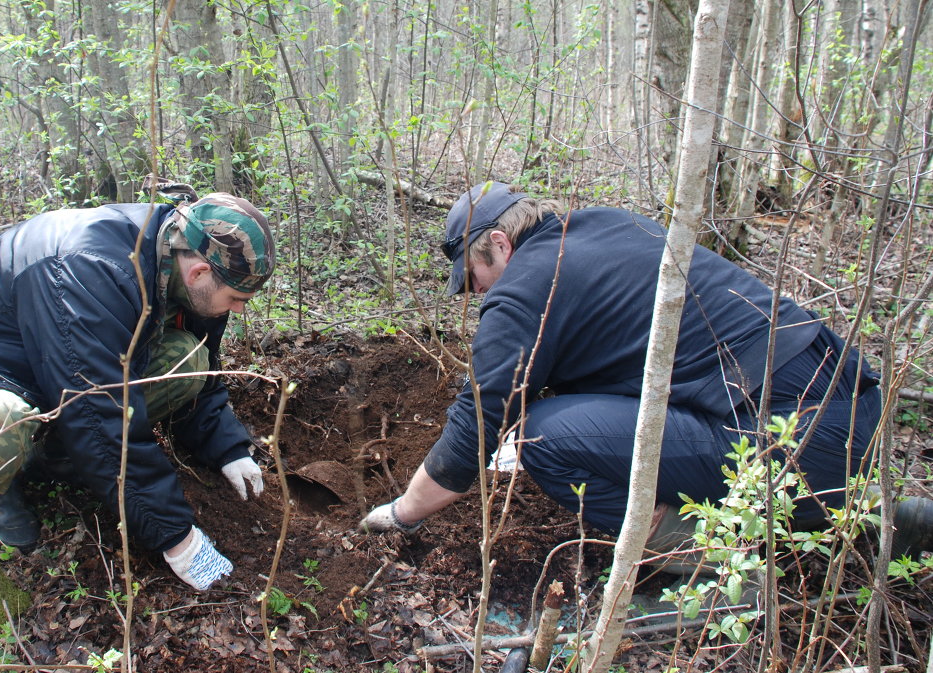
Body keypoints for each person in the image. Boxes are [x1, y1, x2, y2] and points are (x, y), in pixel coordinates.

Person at [363, 182, 931, 562]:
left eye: (474, 275)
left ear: (499, 243)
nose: (477, 291)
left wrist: (404, 512)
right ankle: (867, 517)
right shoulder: (605, 228)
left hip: (792, 440)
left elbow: (482, 419)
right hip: (850, 411)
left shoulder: (525, 287)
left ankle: (714, 561)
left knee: (539, 435)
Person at [0, 185, 275, 591]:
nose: (239, 308)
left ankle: (52, 452)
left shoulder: (181, 262)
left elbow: (201, 375)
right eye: (237, 297)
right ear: (200, 272)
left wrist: (227, 448)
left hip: (54, 353)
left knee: (189, 358)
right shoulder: (89, 269)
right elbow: (98, 417)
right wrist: (177, 539)